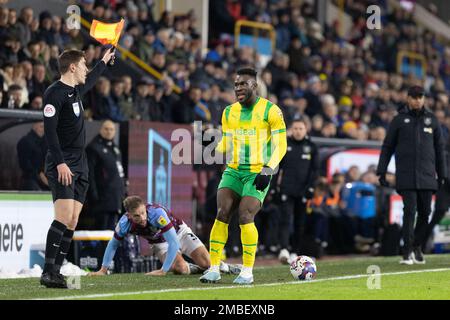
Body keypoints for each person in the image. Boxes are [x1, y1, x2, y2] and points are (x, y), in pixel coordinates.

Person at [200, 67, 287, 284]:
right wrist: (212, 146)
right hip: (234, 170)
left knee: (245, 215)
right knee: (221, 213)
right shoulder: (229, 112)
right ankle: (213, 268)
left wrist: (269, 169)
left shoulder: (271, 111)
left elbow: (281, 145)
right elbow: (227, 144)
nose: (238, 88)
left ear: (254, 86)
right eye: (236, 84)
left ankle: (247, 271)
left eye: (243, 84)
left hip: (258, 172)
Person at [41, 47, 115, 288]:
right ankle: (48, 271)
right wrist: (60, 162)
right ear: (72, 67)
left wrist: (103, 61)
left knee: (72, 220)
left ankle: (57, 271)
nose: (86, 69)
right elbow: (50, 133)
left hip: (80, 163)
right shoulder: (54, 93)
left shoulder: (75, 91)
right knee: (62, 217)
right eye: (84, 65)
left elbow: (92, 79)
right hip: (62, 161)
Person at [376, 85, 446, 265]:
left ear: (424, 99)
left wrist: (442, 173)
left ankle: (416, 245)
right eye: (414, 97)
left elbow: (440, 150)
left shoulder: (433, 121)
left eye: (420, 97)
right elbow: (387, 147)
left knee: (425, 213)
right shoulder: (399, 120)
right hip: (406, 175)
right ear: (408, 98)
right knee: (409, 211)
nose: (417, 100)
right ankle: (406, 252)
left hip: (428, 176)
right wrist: (381, 170)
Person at [88, 196, 240, 276]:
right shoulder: (123, 224)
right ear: (128, 215)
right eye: (136, 216)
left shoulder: (156, 214)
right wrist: (103, 269)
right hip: (159, 242)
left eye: (143, 213)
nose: (142, 218)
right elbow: (113, 244)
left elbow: (174, 242)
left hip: (179, 232)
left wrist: (163, 270)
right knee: (180, 269)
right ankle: (195, 268)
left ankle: (225, 267)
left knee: (207, 262)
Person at [277, 118, 319, 263]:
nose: (298, 131)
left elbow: (315, 170)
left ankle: (295, 251)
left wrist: (311, 188)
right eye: (295, 128)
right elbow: (277, 167)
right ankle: (283, 249)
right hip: (286, 189)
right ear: (291, 130)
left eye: (300, 128)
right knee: (285, 219)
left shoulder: (311, 147)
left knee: (299, 222)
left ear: (305, 130)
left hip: (303, 191)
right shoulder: (284, 144)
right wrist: (274, 187)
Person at [86, 120, 126, 230]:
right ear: (101, 130)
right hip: (101, 200)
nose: (109, 132)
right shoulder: (93, 148)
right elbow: (90, 174)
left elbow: (119, 171)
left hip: (115, 198)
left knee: (113, 232)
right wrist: (94, 195)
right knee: (101, 231)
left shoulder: (116, 149)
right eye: (106, 129)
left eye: (111, 129)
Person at [16, 121, 48, 190]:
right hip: (31, 181)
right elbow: (25, 165)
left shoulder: (47, 142)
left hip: (47, 179)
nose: (43, 129)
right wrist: (40, 175)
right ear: (34, 127)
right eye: (41, 126)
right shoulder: (25, 141)